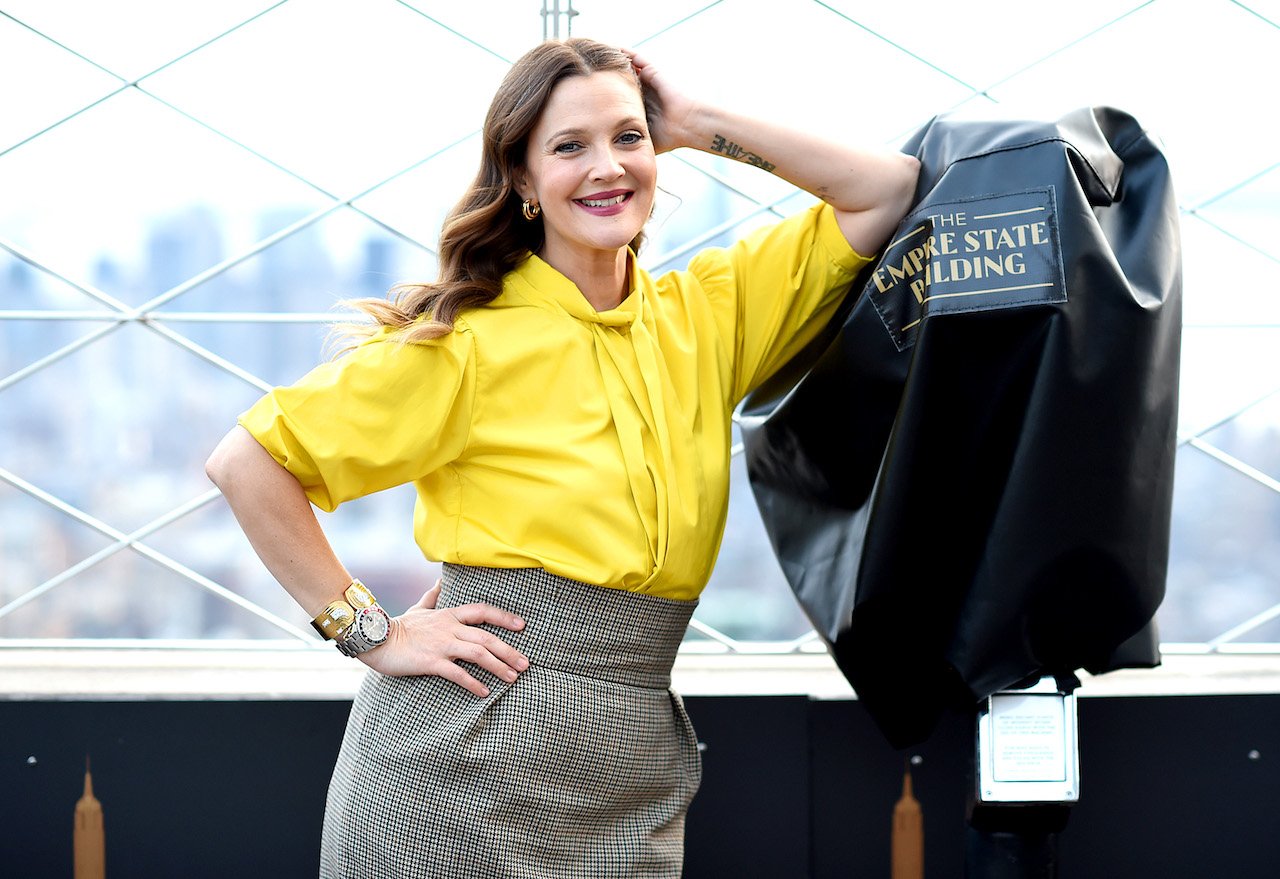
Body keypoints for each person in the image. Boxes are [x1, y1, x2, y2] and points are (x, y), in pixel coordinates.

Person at [205, 37, 918, 879]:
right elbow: (247, 463)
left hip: (630, 769)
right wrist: (372, 634)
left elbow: (886, 189)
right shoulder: (467, 345)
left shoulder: (706, 316)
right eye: (569, 146)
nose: (606, 167)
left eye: (628, 137)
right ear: (522, 177)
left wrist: (694, 120)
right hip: (452, 770)